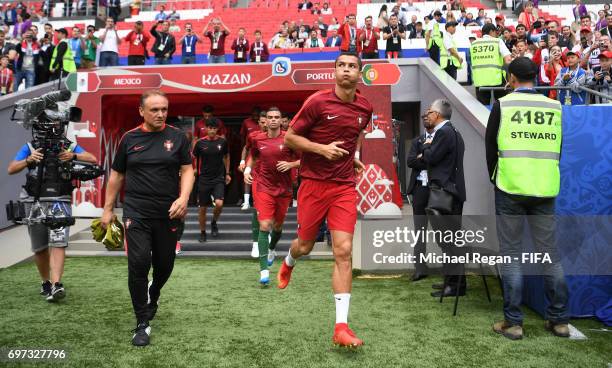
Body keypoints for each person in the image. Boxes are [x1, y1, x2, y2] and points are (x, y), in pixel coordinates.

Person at [279, 52, 371, 347]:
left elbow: (355, 133)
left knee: (343, 251)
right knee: (305, 245)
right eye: (341, 66)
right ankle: (289, 260)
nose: (346, 70)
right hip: (313, 185)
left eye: (352, 66)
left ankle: (341, 327)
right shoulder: (317, 101)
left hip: (344, 186)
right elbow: (290, 139)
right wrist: (321, 149)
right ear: (334, 71)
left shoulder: (365, 107)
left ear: (360, 72)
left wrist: (353, 157)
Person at [486, 57, 569, 340]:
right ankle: (558, 320)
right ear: (536, 76)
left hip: (510, 187)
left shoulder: (503, 103)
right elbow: (558, 148)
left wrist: (495, 178)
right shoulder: (554, 106)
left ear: (511, 78)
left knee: (511, 255)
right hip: (545, 188)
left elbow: (490, 146)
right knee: (550, 255)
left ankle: (514, 323)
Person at [102, 90, 194, 346]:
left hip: (169, 213)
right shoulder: (129, 139)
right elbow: (117, 176)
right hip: (136, 212)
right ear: (141, 111)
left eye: (164, 109)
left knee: (165, 266)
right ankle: (142, 322)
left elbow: (187, 170)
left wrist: (184, 198)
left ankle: (154, 293)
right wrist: (108, 210)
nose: (161, 114)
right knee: (139, 263)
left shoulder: (177, 137)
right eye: (154, 110)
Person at [7, 124, 96, 302]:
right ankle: (46, 282)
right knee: (40, 248)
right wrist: (29, 160)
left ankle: (56, 284)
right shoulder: (30, 146)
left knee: (59, 243)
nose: (54, 128)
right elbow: (11, 168)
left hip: (60, 200)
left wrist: (74, 155)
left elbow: (92, 158)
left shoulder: (68, 145)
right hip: (33, 201)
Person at [244, 107, 300, 285]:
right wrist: (247, 169)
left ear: (282, 120)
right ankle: (263, 271)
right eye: (270, 117)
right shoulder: (256, 138)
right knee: (265, 224)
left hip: (284, 188)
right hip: (263, 186)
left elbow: (305, 159)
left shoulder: (289, 139)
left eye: (277, 117)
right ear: (265, 121)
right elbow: (252, 156)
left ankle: (271, 249)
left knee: (277, 226)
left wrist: (291, 165)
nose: (274, 120)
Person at [419, 99, 466, 298]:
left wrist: (427, 146)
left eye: (430, 112)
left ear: (437, 115)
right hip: (452, 192)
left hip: (446, 193)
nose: (427, 115)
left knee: (449, 241)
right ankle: (452, 281)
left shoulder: (444, 132)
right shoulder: (454, 132)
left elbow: (431, 158)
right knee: (449, 240)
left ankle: (455, 285)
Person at [406, 114, 435, 281]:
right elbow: (410, 161)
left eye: (429, 116)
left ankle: (449, 268)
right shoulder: (418, 140)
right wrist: (425, 158)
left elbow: (436, 161)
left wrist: (422, 157)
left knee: (442, 230)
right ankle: (420, 268)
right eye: (423, 117)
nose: (425, 118)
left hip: (436, 189)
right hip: (419, 190)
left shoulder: (441, 138)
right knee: (420, 230)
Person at [192, 119, 230, 242]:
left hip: (218, 178)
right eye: (210, 128)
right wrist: (194, 169)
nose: (212, 130)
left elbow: (226, 157)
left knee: (219, 204)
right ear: (206, 129)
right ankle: (203, 232)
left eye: (214, 128)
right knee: (202, 208)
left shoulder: (222, 142)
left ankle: (214, 222)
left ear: (217, 129)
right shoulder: (200, 143)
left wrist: (227, 173)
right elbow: (194, 157)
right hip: (204, 179)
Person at [240, 112, 268, 257]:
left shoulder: (283, 136)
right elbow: (247, 148)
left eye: (266, 121)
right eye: (262, 122)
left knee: (275, 217)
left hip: (276, 179)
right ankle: (256, 244)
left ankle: (269, 239)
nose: (264, 124)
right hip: (258, 175)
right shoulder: (254, 136)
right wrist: (244, 164)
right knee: (258, 209)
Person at [470, 23, 513, 105]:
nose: (496, 34)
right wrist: (511, 78)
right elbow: (508, 60)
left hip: (479, 80)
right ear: (491, 31)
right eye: (495, 32)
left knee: (482, 108)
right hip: (497, 80)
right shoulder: (497, 41)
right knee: (501, 106)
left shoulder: (474, 44)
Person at [239, 107, 262, 211]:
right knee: (247, 176)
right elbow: (245, 145)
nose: (256, 118)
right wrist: (242, 160)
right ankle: (247, 201)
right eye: (255, 115)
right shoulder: (251, 133)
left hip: (265, 156)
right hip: (251, 155)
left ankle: (260, 201)